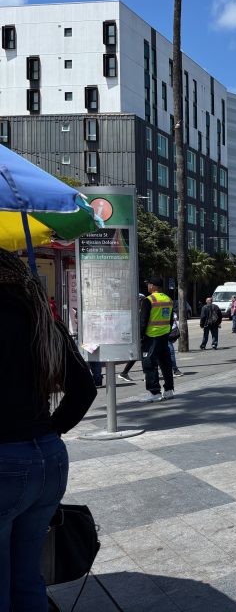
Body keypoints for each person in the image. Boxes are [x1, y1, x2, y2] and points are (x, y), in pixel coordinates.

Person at [0, 248, 97, 612]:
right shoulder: (45, 322)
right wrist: (50, 431)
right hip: (49, 460)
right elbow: (84, 389)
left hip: (6, 462)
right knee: (27, 575)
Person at [138, 276, 175, 402]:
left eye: (148, 284)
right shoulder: (168, 299)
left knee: (149, 364)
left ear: (153, 286)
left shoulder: (148, 300)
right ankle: (169, 390)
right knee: (166, 364)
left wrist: (140, 337)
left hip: (151, 337)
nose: (147, 286)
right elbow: (170, 320)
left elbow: (143, 321)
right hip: (164, 337)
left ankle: (154, 392)